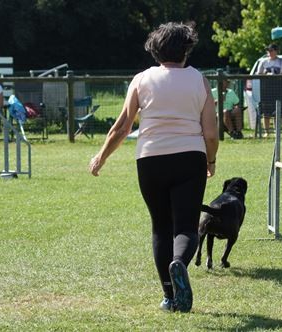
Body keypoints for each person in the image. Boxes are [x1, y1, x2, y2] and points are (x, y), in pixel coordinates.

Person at [88, 22, 218, 313]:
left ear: (155, 49)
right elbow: (210, 132)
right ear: (187, 49)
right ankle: (179, 264)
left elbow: (121, 127)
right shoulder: (199, 80)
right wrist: (211, 160)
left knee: (161, 227)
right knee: (185, 226)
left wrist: (101, 157)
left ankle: (170, 297)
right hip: (189, 157)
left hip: (150, 159)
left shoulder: (141, 79)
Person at [254, 43, 282, 137]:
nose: (269, 52)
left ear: (276, 51)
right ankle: (266, 132)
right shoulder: (263, 61)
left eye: (271, 50)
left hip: (279, 87)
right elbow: (258, 73)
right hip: (266, 88)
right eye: (268, 50)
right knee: (266, 110)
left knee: (278, 110)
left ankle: (277, 131)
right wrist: (266, 74)